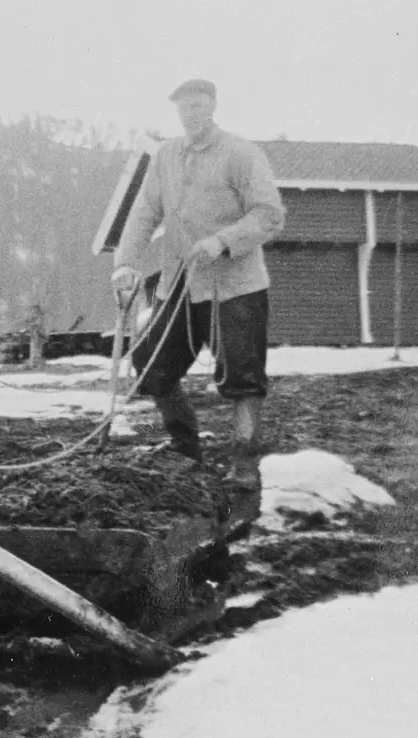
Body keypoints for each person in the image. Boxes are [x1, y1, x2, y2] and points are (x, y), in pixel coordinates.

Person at [112, 78, 285, 490]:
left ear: (212, 106)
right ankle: (185, 451)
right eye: (184, 107)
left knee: (243, 380)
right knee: (152, 368)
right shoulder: (166, 156)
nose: (192, 114)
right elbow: (143, 213)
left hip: (235, 287)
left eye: (198, 105)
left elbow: (269, 215)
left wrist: (223, 241)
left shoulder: (241, 154)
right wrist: (126, 264)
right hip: (180, 286)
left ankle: (245, 466)